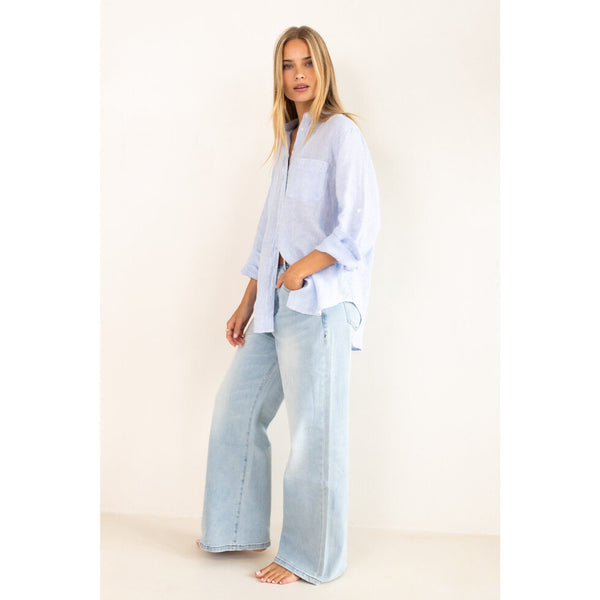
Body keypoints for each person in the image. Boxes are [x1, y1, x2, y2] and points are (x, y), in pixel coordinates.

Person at [196, 25, 381, 585]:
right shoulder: (290, 140)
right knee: (235, 409)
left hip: (320, 304)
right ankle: (233, 528)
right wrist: (247, 300)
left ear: (323, 69)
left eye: (306, 62)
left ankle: (309, 557)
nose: (297, 74)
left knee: (314, 432)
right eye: (286, 65)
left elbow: (358, 226)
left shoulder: (342, 135)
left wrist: (303, 268)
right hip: (274, 305)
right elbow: (269, 232)